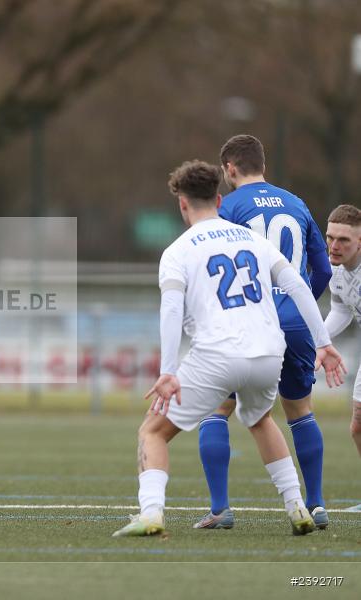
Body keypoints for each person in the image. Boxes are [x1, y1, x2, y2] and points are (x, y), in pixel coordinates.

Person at [112, 160, 345, 538]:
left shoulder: (178, 250)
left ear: (182, 205)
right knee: (259, 419)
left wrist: (168, 370)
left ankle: (151, 513)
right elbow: (300, 288)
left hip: (217, 354)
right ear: (219, 199)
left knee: (152, 432)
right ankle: (297, 507)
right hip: (270, 352)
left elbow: (171, 310)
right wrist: (324, 343)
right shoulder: (253, 240)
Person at [195, 134, 332, 530]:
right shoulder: (297, 203)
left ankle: (220, 508)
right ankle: (317, 503)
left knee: (216, 408)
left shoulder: (228, 207)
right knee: (300, 412)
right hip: (297, 322)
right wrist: (296, 304)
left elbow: (218, 268)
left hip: (250, 323)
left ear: (230, 169)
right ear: (264, 166)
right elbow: (321, 270)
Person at [320, 204, 361, 505]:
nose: (334, 246)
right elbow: (341, 310)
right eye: (330, 237)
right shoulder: (335, 269)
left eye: (344, 240)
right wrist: (316, 341)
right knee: (358, 426)